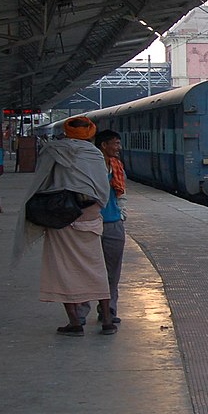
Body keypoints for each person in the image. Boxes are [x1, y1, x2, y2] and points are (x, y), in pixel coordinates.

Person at [12, 116, 115, 336]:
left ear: (67, 132)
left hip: (61, 218)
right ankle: (107, 320)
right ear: (90, 133)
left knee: (61, 269)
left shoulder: (53, 151)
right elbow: (102, 189)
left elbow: (41, 183)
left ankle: (75, 323)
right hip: (90, 217)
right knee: (96, 269)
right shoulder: (95, 154)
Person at [77, 129, 126, 327]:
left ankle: (109, 310)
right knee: (86, 269)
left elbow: (121, 193)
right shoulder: (89, 166)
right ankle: (81, 312)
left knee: (112, 272)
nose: (118, 148)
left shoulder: (117, 166)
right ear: (104, 145)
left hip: (113, 223)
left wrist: (122, 214)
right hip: (89, 222)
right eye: (115, 143)